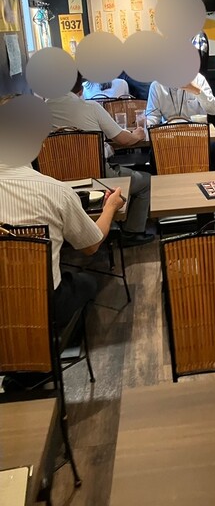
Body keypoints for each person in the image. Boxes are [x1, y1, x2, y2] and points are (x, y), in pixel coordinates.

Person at [0, 151, 124, 390]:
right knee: (87, 283)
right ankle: (41, 364)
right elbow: (91, 245)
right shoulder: (53, 190)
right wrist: (110, 207)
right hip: (42, 304)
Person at [46, 73, 154, 247]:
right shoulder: (91, 107)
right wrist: (137, 134)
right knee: (146, 181)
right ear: (80, 90)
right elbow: (123, 140)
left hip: (57, 183)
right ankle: (132, 232)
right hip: (98, 179)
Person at [146, 73, 215, 170]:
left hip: (197, 138)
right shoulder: (157, 85)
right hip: (169, 139)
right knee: (153, 155)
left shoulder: (198, 79)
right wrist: (147, 125)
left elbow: (213, 110)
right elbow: (152, 116)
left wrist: (197, 91)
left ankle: (208, 179)